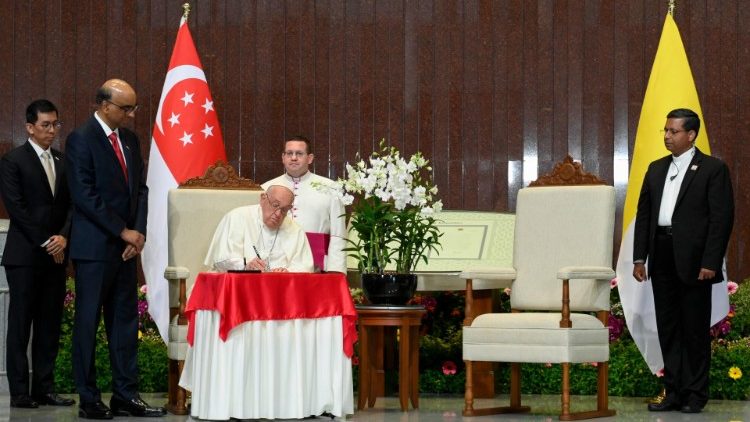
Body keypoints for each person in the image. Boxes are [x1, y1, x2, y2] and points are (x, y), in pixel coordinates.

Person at [66, 79, 164, 419]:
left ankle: (125, 394)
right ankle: (89, 398)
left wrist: (136, 233)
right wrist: (122, 230)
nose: (132, 114)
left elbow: (140, 190)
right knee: (88, 323)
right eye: (126, 108)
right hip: (95, 249)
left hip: (125, 249)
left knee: (124, 323)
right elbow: (84, 194)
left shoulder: (130, 140)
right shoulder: (81, 139)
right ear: (104, 105)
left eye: (133, 107)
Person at [633, 108, 734, 414]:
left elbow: (721, 219)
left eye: (673, 131)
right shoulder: (655, 168)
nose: (667, 136)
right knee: (668, 327)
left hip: (695, 261)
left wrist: (711, 261)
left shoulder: (712, 169)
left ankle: (695, 395)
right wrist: (640, 258)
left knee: (693, 330)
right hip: (661, 254)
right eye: (665, 130)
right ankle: (673, 391)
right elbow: (645, 215)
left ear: (691, 135)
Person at [0, 100, 75, 409]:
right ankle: (19, 392)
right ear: (29, 127)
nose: (52, 131)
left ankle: (44, 388)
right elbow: (16, 208)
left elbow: (72, 205)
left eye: (55, 124)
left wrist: (64, 237)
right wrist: (48, 241)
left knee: (49, 323)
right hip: (25, 255)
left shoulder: (63, 160)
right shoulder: (13, 160)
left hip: (56, 255)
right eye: (45, 125)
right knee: (21, 324)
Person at [261, 135, 347, 273]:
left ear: (310, 158)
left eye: (299, 154)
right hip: (275, 263)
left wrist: (336, 270)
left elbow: (338, 234)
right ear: (283, 157)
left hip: (316, 264)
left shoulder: (331, 188)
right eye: (289, 153)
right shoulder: (266, 187)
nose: (293, 158)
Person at [205, 185, 314, 273]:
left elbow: (305, 267)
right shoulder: (237, 217)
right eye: (275, 205)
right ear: (263, 199)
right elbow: (222, 260)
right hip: (238, 285)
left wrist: (287, 272)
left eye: (284, 210)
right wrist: (246, 265)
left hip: (278, 289)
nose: (278, 214)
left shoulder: (295, 230)